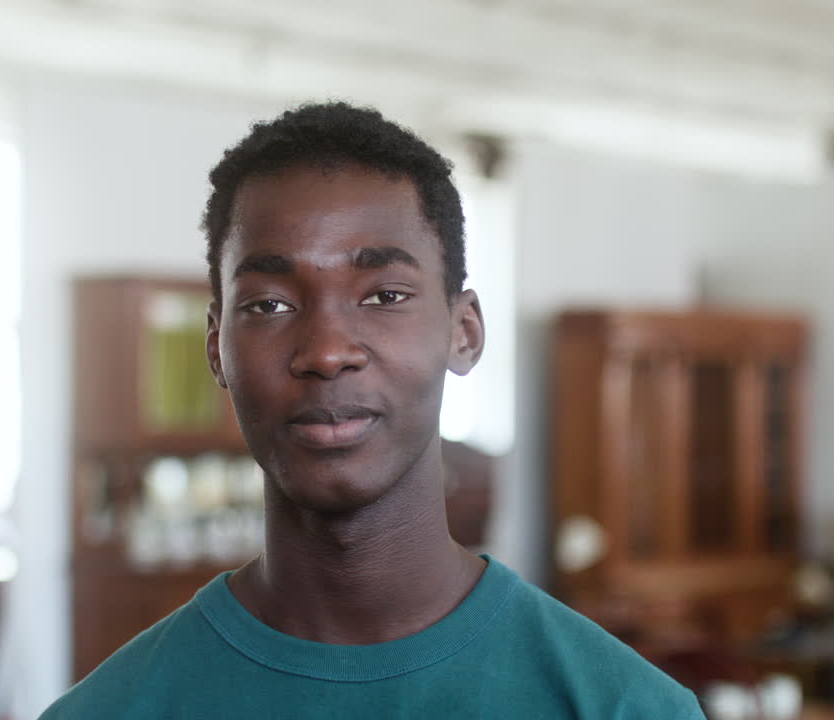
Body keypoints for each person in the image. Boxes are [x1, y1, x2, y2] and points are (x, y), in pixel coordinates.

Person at [40, 101, 704, 719]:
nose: (327, 352)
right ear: (217, 347)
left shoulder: (623, 708)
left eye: (384, 295)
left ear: (463, 331)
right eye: (269, 304)